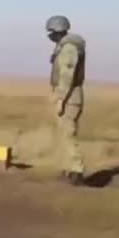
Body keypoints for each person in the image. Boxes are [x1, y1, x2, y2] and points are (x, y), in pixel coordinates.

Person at [46, 15, 87, 185]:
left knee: (68, 134)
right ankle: (69, 169)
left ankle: (77, 170)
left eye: (51, 32)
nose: (49, 36)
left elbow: (67, 75)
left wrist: (61, 98)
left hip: (70, 96)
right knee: (63, 134)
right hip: (66, 94)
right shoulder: (62, 47)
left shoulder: (69, 48)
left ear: (57, 31)